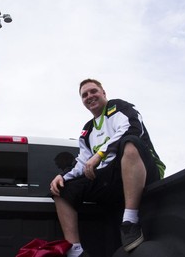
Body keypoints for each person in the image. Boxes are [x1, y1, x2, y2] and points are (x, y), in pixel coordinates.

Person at [50, 79, 165, 257]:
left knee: (130, 142)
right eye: (84, 95)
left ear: (104, 93)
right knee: (61, 190)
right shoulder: (87, 130)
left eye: (93, 91)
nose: (90, 96)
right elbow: (83, 161)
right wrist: (63, 177)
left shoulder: (119, 108)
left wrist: (100, 154)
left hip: (143, 171)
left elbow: (133, 129)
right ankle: (75, 251)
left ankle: (130, 222)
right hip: (112, 181)